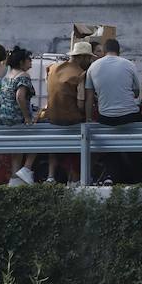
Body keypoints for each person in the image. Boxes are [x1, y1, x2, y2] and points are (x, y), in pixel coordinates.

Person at [85, 38, 142, 184]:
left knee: (109, 149)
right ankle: (140, 180)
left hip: (106, 117)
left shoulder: (93, 67)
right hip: (129, 116)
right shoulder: (129, 64)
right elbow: (137, 92)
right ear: (119, 51)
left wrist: (88, 119)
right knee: (134, 150)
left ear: (104, 52)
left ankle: (115, 178)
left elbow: (88, 97)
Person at [42, 41, 91, 183]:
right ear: (82, 57)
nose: (89, 61)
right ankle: (75, 178)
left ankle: (50, 176)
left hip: (52, 118)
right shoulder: (80, 74)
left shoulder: (53, 68)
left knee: (54, 144)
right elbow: (81, 104)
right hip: (70, 121)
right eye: (88, 58)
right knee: (81, 142)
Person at [0, 47, 38, 185]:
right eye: (29, 59)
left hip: (2, 116)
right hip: (14, 116)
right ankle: (27, 168)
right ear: (22, 62)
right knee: (39, 138)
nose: (31, 62)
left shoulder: (9, 74)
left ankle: (14, 179)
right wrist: (27, 118)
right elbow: (20, 97)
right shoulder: (23, 76)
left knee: (16, 148)